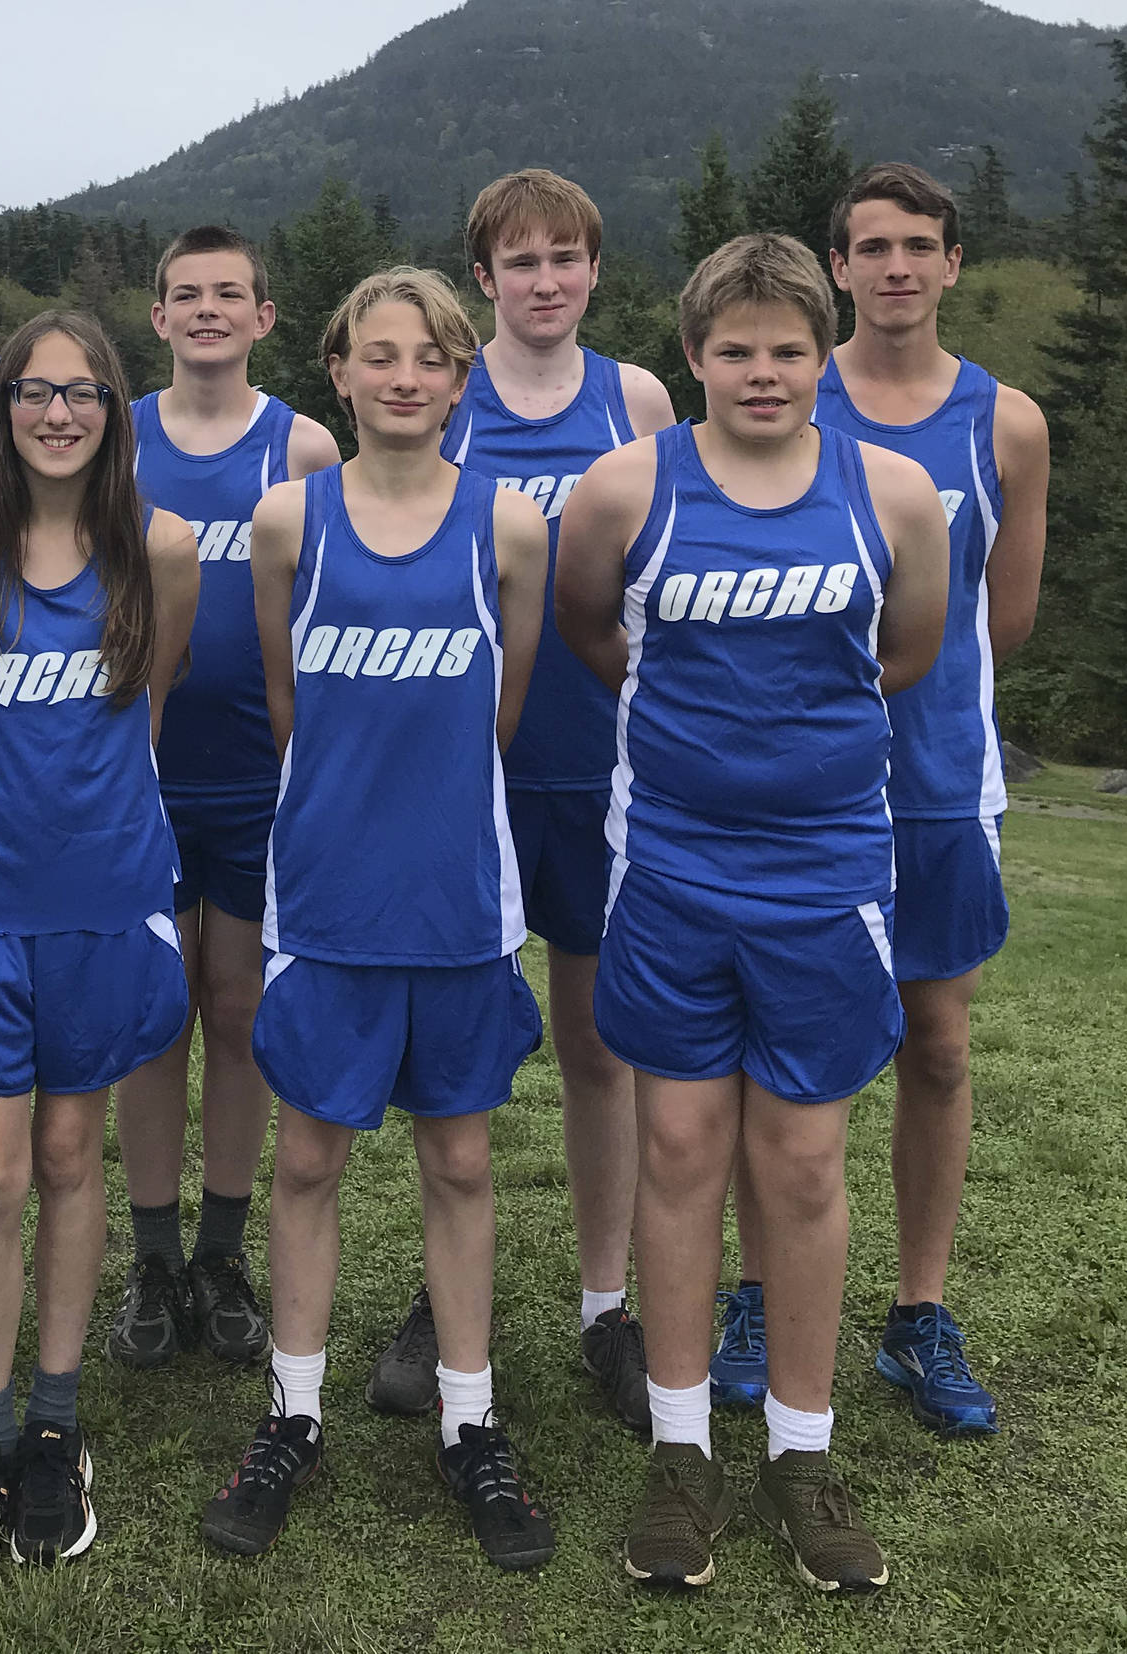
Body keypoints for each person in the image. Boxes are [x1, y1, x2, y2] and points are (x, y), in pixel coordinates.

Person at [554, 233, 948, 1593]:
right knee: (676, 1145)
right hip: (671, 870)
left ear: (819, 350)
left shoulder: (891, 495)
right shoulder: (623, 487)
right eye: (737, 348)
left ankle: (800, 1446)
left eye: (789, 347)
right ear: (697, 355)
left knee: (799, 1166)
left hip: (827, 878)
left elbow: (904, 656)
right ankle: (680, 1447)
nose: (764, 371)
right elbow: (596, 633)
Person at [200, 267, 554, 1572]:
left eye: (431, 360)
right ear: (338, 373)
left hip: (459, 894)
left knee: (460, 1163)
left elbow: (497, 719)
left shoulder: (508, 528)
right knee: (309, 1160)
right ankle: (293, 1410)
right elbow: (294, 713)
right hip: (329, 900)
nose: (405, 377)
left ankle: (471, 1419)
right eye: (380, 356)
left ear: (461, 382)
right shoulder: (288, 519)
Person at [707, 165, 1050, 1435]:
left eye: (919, 245)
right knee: (772, 1052)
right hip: (787, 791)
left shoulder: (1001, 422)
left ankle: (915, 1311)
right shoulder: (786, 386)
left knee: (936, 1043)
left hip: (937, 779)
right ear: (835, 267)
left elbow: (996, 618)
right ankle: (754, 1291)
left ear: (954, 262)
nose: (895, 266)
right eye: (869, 247)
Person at [367, 168, 676, 1431]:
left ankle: (606, 1304)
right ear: (481, 274)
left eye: (566, 258)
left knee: (603, 1049)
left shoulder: (637, 400)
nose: (544, 280)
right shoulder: (442, 396)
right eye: (520, 259)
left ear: (592, 272)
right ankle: (446, 1302)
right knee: (456, 1062)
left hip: (608, 774)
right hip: (470, 783)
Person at [0, 312, 200, 1587]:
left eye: (83, 393)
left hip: (106, 897)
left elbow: (153, 705)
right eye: (36, 390)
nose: (59, 412)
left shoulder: (161, 550)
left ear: (114, 411)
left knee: (72, 1149)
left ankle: (55, 1421)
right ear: (3, 405)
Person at [109, 225, 340, 1370]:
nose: (207, 309)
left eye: (230, 294)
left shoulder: (300, 446)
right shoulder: (113, 439)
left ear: (262, 317)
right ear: (155, 317)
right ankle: (150, 1257)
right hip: (135, 771)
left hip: (258, 774)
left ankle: (220, 1248)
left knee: (238, 1005)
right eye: (184, 293)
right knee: (154, 1012)